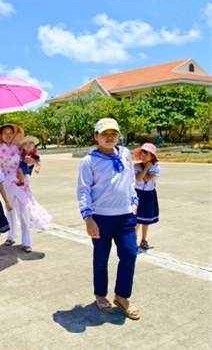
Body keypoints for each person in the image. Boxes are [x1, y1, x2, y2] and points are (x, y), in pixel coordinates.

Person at [77, 118, 140, 320]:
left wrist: (134, 203)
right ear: (96, 136)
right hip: (101, 218)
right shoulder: (89, 161)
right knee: (101, 257)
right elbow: (84, 190)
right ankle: (101, 295)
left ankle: (121, 296)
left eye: (113, 133)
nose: (110, 137)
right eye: (104, 134)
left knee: (130, 253)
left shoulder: (125, 153)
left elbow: (130, 180)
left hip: (125, 217)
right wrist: (88, 218)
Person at [0, 124, 51, 253]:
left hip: (21, 182)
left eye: (10, 132)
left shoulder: (19, 147)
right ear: (0, 135)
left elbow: (32, 157)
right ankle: (11, 236)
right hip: (6, 181)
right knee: (10, 209)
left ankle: (27, 241)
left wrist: (33, 161)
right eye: (4, 133)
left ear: (14, 134)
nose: (7, 135)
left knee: (25, 210)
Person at [133, 143, 160, 250]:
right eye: (142, 154)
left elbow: (148, 179)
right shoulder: (136, 166)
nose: (143, 156)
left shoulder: (156, 167)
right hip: (137, 193)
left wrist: (146, 168)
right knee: (137, 218)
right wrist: (144, 169)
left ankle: (144, 239)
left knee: (145, 219)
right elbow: (138, 179)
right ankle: (133, 237)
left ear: (152, 156)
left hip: (149, 194)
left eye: (146, 154)